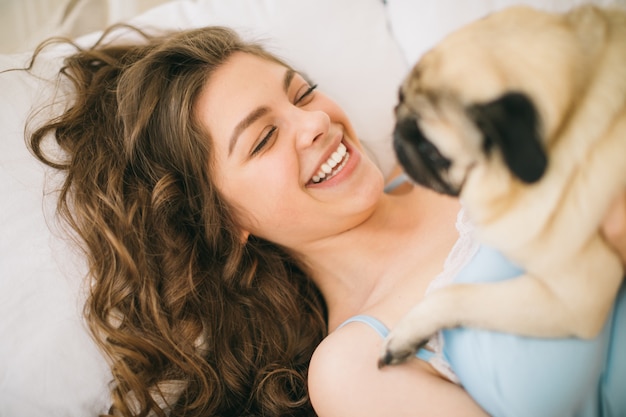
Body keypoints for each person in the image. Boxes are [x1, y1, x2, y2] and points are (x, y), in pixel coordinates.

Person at [25, 24, 626, 417]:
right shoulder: (352, 368)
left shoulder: (466, 149)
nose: (314, 123)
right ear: (220, 220)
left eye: (303, 93)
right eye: (263, 139)